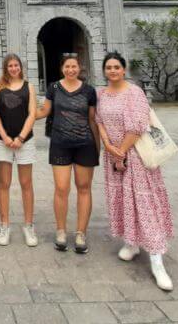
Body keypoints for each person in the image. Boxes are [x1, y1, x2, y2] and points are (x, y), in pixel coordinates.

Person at [96, 52, 174, 291]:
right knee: (121, 200)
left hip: (135, 156)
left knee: (144, 203)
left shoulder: (134, 93)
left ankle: (157, 260)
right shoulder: (102, 94)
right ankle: (131, 243)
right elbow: (98, 120)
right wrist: (109, 147)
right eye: (108, 67)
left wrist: (121, 151)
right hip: (113, 155)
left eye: (116, 67)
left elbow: (138, 125)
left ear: (123, 69)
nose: (112, 71)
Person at [36, 53, 99, 254]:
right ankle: (61, 231)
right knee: (61, 188)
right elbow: (44, 111)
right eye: (67, 67)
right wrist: (22, 112)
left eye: (74, 66)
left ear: (79, 68)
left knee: (84, 188)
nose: (71, 70)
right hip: (60, 144)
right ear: (62, 68)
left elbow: (92, 119)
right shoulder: (54, 88)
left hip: (85, 145)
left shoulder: (89, 91)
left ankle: (81, 233)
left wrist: (98, 147)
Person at [0, 53, 38, 247]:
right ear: (5, 67)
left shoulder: (29, 87)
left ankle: (28, 225)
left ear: (20, 67)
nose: (13, 68)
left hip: (25, 141)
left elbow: (32, 113)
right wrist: (5, 137)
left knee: (26, 183)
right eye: (10, 65)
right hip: (3, 141)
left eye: (16, 65)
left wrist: (20, 138)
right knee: (4, 182)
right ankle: (5, 225)